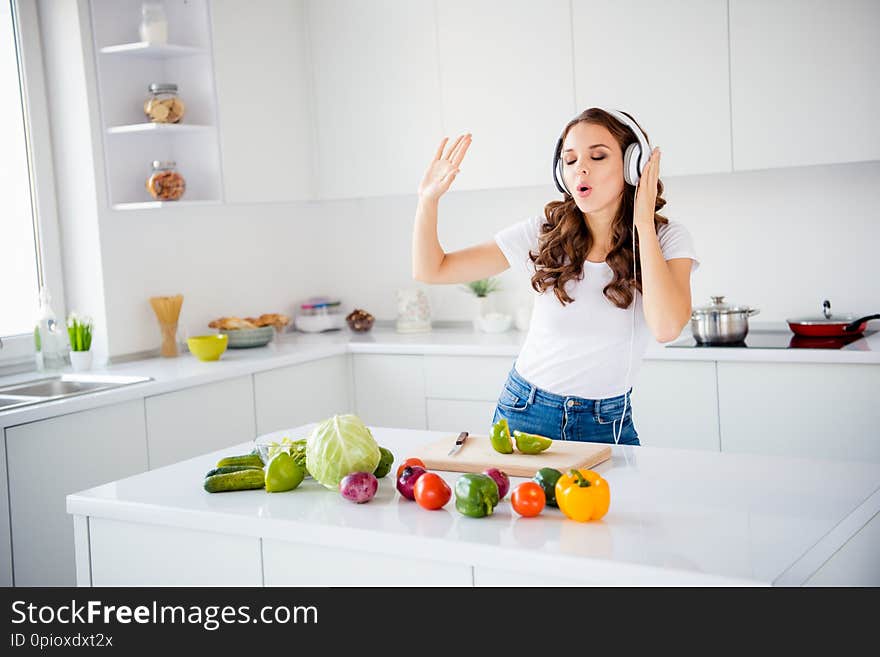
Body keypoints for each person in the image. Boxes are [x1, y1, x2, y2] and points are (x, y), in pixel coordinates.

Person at [412, 108, 700, 445]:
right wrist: (427, 200)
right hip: (526, 411)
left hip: (607, 422)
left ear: (633, 166)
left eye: (598, 156)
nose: (581, 168)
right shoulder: (543, 232)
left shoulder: (668, 239)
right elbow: (432, 269)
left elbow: (667, 328)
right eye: (570, 159)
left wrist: (643, 225)